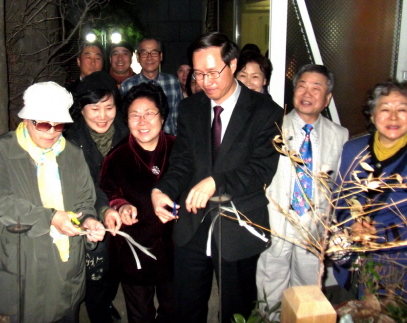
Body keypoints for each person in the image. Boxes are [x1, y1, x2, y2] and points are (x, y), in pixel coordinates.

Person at [151, 32, 283, 322]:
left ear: (232, 64)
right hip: (192, 225)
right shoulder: (190, 108)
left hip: (239, 226)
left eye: (213, 72)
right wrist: (162, 190)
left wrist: (215, 182)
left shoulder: (265, 111)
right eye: (199, 74)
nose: (205, 82)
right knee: (188, 310)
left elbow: (261, 170)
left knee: (236, 312)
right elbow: (182, 161)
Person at [0, 81, 105, 323]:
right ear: (26, 120)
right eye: (42, 124)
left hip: (65, 264)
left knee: (65, 313)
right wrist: (50, 217)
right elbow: (1, 200)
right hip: (24, 262)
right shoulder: (3, 149)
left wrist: (89, 221)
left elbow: (84, 200)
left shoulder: (73, 154)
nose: (51, 132)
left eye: (58, 124)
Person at [256, 64, 349, 316]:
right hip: (275, 223)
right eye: (301, 86)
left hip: (313, 228)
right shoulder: (272, 129)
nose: (307, 93)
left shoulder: (340, 136)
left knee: (308, 295)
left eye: (316, 88)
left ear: (327, 98)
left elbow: (340, 188)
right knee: (270, 291)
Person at [100, 82, 176, 323]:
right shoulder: (117, 156)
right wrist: (120, 205)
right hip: (134, 249)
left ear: (162, 117)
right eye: (135, 115)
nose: (142, 122)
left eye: (149, 114)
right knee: (140, 314)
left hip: (175, 247)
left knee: (173, 310)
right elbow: (107, 191)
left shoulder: (179, 148)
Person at [334, 79, 407, 299]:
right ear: (373, 116)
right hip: (359, 262)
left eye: (402, 110)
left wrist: (383, 234)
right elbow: (339, 199)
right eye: (385, 109)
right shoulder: (353, 150)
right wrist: (353, 226)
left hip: (400, 263)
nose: (393, 117)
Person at [63, 71, 126, 323]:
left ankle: (106, 301)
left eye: (109, 107)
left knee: (115, 268)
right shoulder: (70, 138)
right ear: (82, 108)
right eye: (94, 108)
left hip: (120, 209)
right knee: (94, 271)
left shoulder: (126, 131)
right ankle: (99, 310)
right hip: (86, 211)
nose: (103, 116)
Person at [120, 37, 183, 136]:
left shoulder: (172, 82)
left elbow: (178, 120)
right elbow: (124, 122)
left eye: (154, 52)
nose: (149, 57)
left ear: (161, 56)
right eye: (144, 53)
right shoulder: (127, 86)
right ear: (138, 57)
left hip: (169, 145)